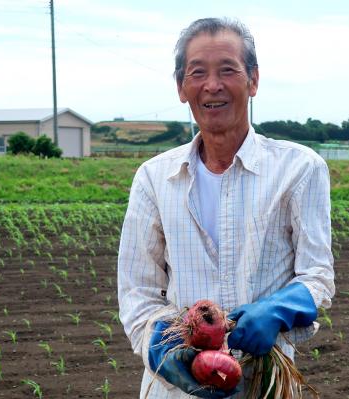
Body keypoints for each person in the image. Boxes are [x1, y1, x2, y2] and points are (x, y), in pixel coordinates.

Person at [118, 17, 335, 399]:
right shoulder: (154, 177)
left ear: (253, 81)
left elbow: (317, 276)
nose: (212, 86)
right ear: (182, 88)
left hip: (264, 382)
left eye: (228, 70)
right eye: (197, 72)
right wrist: (164, 349)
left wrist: (278, 309)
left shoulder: (300, 169)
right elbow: (138, 291)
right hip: (175, 390)